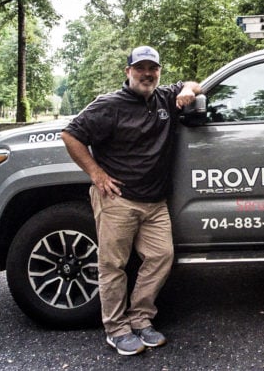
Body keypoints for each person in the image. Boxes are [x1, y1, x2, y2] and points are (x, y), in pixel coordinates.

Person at [61, 45, 201, 356]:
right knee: (113, 265)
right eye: (140, 68)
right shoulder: (109, 105)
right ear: (128, 72)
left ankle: (140, 318)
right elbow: (71, 135)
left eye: (153, 68)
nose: (147, 74)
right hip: (118, 200)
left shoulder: (165, 97)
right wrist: (96, 174)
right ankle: (116, 329)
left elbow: (195, 83)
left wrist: (188, 91)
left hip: (154, 202)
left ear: (159, 72)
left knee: (161, 258)